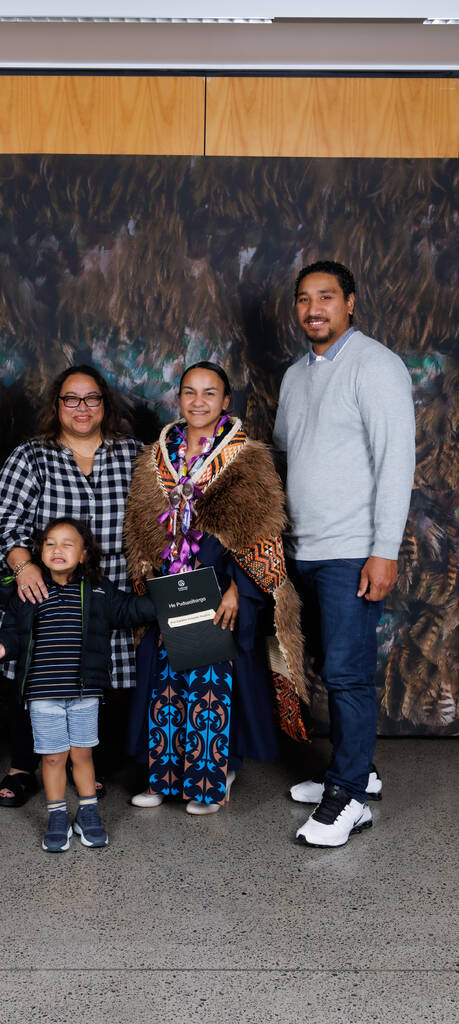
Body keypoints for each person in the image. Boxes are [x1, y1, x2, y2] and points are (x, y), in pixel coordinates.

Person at [124, 361, 308, 816]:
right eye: (190, 392)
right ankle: (162, 778)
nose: (199, 401)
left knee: (211, 686)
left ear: (226, 401)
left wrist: (238, 591)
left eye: (210, 393)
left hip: (221, 589)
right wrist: (151, 583)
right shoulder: (155, 458)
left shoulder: (248, 457)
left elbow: (263, 530)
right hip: (169, 588)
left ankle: (211, 777)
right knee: (164, 685)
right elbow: (140, 527)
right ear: (178, 398)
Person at [273, 260, 415, 847]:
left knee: (348, 676)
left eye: (326, 297)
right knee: (326, 667)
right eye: (304, 299)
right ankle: (355, 769)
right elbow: (285, 455)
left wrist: (383, 552)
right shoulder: (295, 375)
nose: (314, 309)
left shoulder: (375, 365)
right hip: (304, 549)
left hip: (352, 551)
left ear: (350, 303)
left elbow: (396, 464)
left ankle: (349, 797)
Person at [0, 365, 141, 808]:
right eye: (70, 399)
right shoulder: (32, 456)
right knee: (38, 677)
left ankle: (88, 766)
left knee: (102, 680)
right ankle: (21, 766)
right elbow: (2, 526)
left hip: (109, 590)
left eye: (91, 398)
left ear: (105, 405)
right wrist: (23, 567)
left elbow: (160, 518)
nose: (81, 408)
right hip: (46, 585)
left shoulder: (133, 454)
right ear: (57, 406)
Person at [0, 518, 155, 851]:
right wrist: (1, 647)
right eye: (49, 544)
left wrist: (175, 596)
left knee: (83, 755)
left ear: (84, 554)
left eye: (67, 544)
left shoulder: (100, 591)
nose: (57, 550)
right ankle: (58, 815)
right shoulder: (29, 591)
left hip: (84, 693)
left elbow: (133, 609)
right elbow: (15, 635)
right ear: (39, 552)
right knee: (52, 758)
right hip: (42, 695)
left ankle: (88, 813)